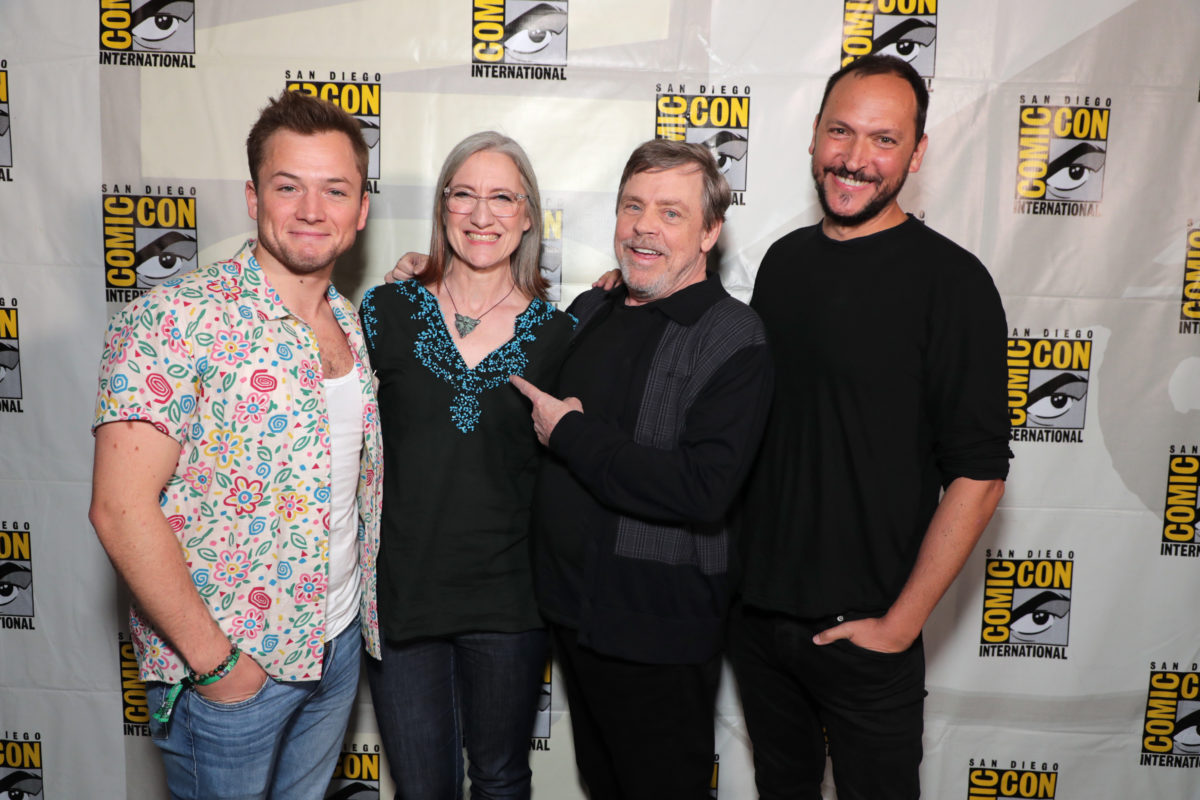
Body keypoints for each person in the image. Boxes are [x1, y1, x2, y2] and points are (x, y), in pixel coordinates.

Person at [728, 54, 1011, 799]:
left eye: (884, 140)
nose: (855, 159)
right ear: (814, 135)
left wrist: (899, 626)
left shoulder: (953, 283)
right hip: (758, 622)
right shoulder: (783, 262)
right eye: (841, 132)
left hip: (867, 634)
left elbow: (980, 476)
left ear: (917, 154)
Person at [89, 89, 381, 800]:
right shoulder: (172, 320)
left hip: (337, 643)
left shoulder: (349, 321)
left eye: (334, 189)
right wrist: (218, 665)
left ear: (360, 211)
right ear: (253, 198)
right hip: (232, 672)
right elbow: (120, 509)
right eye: (289, 186)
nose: (312, 209)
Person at [510, 139, 774, 799]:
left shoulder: (732, 336)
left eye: (670, 212)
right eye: (633, 207)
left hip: (656, 631)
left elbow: (703, 489)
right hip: (571, 615)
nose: (643, 226)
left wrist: (573, 435)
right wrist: (427, 280)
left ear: (710, 232)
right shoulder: (593, 310)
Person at [358, 131, 575, 800]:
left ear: (528, 215)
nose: (482, 215)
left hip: (509, 598)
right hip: (404, 593)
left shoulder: (561, 334)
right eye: (464, 195)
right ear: (443, 206)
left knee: (501, 779)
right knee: (422, 789)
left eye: (503, 198)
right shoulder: (384, 310)